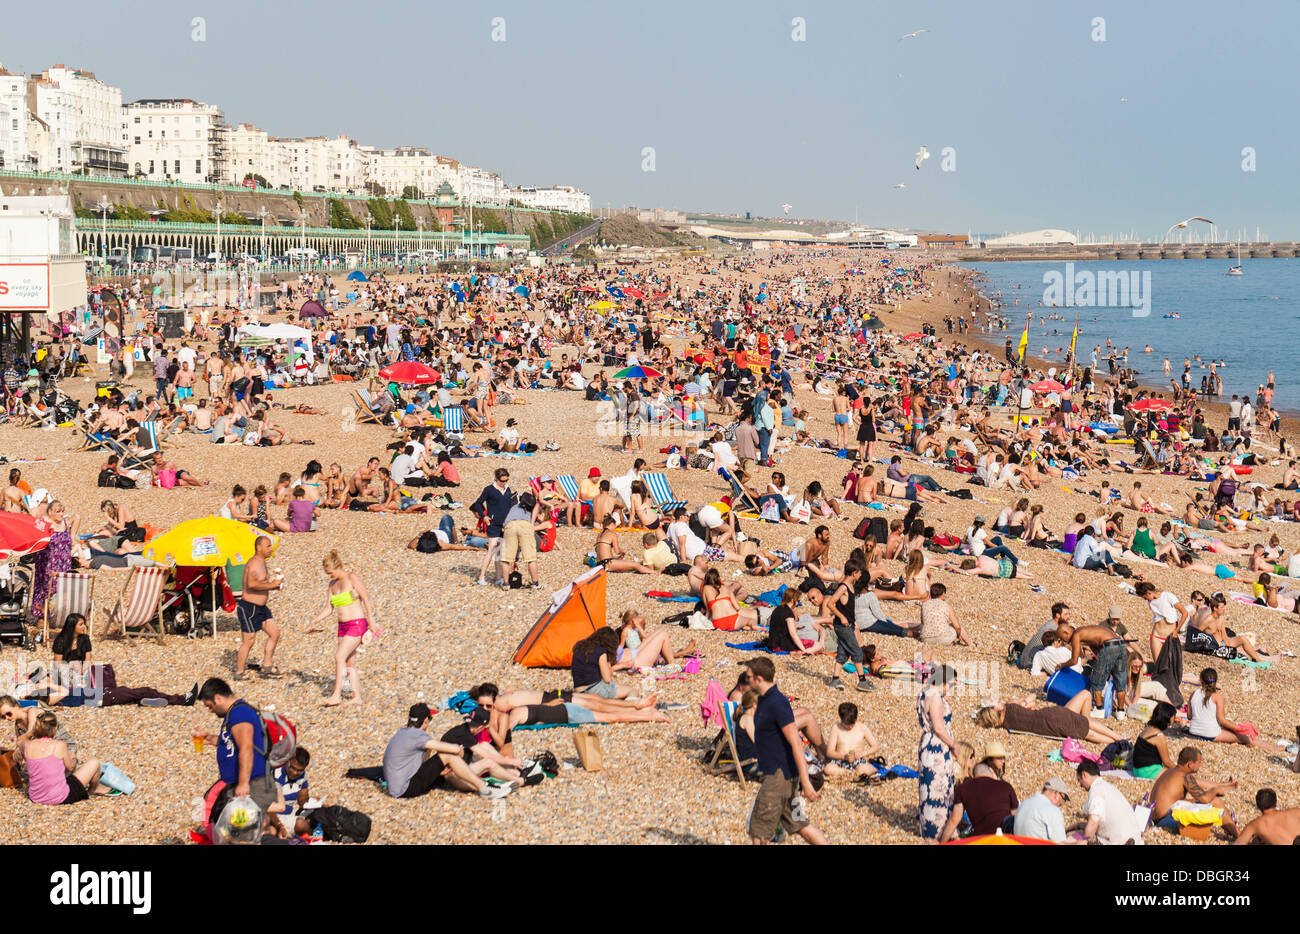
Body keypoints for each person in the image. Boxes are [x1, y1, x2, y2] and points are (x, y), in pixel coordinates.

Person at [744, 657, 826, 845]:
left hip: (777, 778)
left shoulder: (776, 703)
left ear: (759, 678)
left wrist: (806, 783)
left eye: (749, 677)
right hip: (782, 777)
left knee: (759, 832)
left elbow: (795, 743)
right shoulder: (765, 700)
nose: (746, 680)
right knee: (800, 826)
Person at [380, 703, 512, 800]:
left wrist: (437, 768)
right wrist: (457, 751)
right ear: (425, 721)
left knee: (443, 762)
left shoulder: (401, 732)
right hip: (405, 788)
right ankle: (484, 788)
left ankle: (483, 785)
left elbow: (423, 758)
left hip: (397, 785)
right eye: (430, 719)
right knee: (448, 755)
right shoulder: (419, 736)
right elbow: (452, 749)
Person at [306, 551, 378, 708]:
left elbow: (365, 598)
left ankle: (336, 695)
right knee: (348, 661)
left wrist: (371, 621)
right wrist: (315, 620)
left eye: (330, 573)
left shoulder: (352, 578)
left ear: (338, 567)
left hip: (357, 624)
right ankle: (356, 696)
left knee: (339, 657)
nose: (329, 576)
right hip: (342, 626)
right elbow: (328, 608)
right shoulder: (332, 585)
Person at [196, 678, 278, 813]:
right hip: (243, 782)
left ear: (218, 698)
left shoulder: (239, 713)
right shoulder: (234, 714)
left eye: (210, 706)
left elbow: (246, 748)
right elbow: (233, 744)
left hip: (253, 783)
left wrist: (243, 783)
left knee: (246, 829)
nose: (210, 711)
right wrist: (211, 739)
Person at [13, 710, 107, 805]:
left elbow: (20, 741)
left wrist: (30, 734)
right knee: (94, 762)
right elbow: (70, 767)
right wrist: (73, 757)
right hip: (60, 797)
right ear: (54, 729)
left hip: (36, 797)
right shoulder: (59, 745)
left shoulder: (27, 745)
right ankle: (92, 790)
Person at [1149, 746, 1239, 838]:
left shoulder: (1170, 772)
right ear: (1190, 764)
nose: (1201, 765)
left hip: (1154, 819)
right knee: (1215, 801)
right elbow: (1205, 799)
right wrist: (1215, 790)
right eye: (1199, 762)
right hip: (1167, 821)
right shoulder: (1185, 777)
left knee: (1193, 802)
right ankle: (1238, 835)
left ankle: (1231, 830)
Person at [939, 739, 1018, 841]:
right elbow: (1015, 819)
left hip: (981, 840)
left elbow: (954, 820)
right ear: (990, 771)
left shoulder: (963, 788)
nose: (1003, 761)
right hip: (1005, 839)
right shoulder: (1006, 786)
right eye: (999, 758)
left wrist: (942, 842)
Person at [917, 665, 961, 842]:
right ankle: (936, 831)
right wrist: (954, 745)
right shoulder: (934, 697)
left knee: (933, 786)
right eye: (951, 683)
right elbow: (939, 728)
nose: (952, 687)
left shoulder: (926, 692)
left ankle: (935, 828)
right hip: (936, 746)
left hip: (929, 743)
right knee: (938, 788)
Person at [235, 535, 282, 679]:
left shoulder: (261, 562)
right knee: (249, 641)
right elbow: (252, 584)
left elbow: (261, 585)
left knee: (275, 633)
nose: (270, 549)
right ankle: (239, 672)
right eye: (267, 546)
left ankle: (267, 665)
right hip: (249, 607)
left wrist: (273, 586)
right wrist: (272, 585)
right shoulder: (255, 563)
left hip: (261, 608)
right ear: (259, 547)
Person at [1074, 759, 1144, 845]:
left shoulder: (1096, 791)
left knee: (1075, 836)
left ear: (1084, 775)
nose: (1080, 785)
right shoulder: (1108, 787)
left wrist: (1083, 840)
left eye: (1079, 780)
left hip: (1118, 841)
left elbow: (1093, 821)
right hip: (1135, 837)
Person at [1187, 667, 1262, 747]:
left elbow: (1189, 716)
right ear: (1215, 682)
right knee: (1245, 738)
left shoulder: (1193, 694)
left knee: (1228, 730)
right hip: (1210, 734)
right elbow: (1222, 721)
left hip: (1193, 730)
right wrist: (1239, 728)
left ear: (1200, 680)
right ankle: (1273, 748)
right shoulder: (1217, 697)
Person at [471, 467, 513, 587]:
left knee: (499, 551)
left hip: (504, 524)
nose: (504, 483)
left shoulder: (508, 489)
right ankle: (481, 577)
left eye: (506, 480)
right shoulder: (489, 489)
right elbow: (478, 503)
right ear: (496, 479)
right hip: (493, 523)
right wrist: (484, 516)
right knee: (491, 549)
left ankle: (498, 577)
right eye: (502, 481)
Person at [822, 702, 880, 778]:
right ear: (841, 719)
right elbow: (829, 752)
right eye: (846, 724)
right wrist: (844, 757)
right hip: (840, 760)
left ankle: (852, 773)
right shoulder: (836, 728)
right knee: (828, 769)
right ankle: (848, 773)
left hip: (858, 761)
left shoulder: (862, 728)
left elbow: (876, 746)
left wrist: (863, 753)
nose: (849, 727)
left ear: (856, 719)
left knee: (862, 769)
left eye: (852, 724)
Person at [1233, 789, 1300, 845]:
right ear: (1276, 803)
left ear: (1258, 806)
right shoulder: (1296, 811)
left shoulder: (1256, 824)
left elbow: (1239, 843)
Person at [1013, 777, 1071, 843]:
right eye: (1063, 798)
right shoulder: (1053, 811)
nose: (1061, 804)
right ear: (1056, 794)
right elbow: (1060, 843)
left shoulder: (1024, 804)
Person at [1132, 702, 1179, 779]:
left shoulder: (1147, 729)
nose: (1174, 719)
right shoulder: (1159, 736)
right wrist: (1180, 770)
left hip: (1137, 770)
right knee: (1179, 777)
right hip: (1149, 772)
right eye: (1173, 716)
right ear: (1167, 718)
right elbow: (1166, 761)